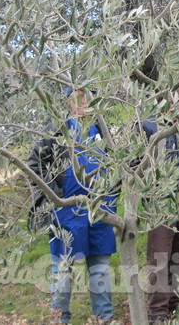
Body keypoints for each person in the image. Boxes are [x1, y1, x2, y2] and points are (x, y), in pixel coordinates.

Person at [27, 87, 117, 324]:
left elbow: (118, 164)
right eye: (79, 97)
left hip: (100, 210)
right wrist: (53, 196)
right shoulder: (57, 128)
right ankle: (60, 318)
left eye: (89, 97)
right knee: (62, 269)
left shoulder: (102, 129)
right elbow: (34, 165)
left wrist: (112, 198)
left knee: (100, 268)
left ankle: (104, 318)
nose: (85, 101)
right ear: (69, 100)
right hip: (66, 210)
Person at [136, 91, 179, 323]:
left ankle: (175, 302)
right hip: (161, 205)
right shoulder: (150, 128)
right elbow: (135, 163)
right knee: (159, 257)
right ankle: (158, 311)